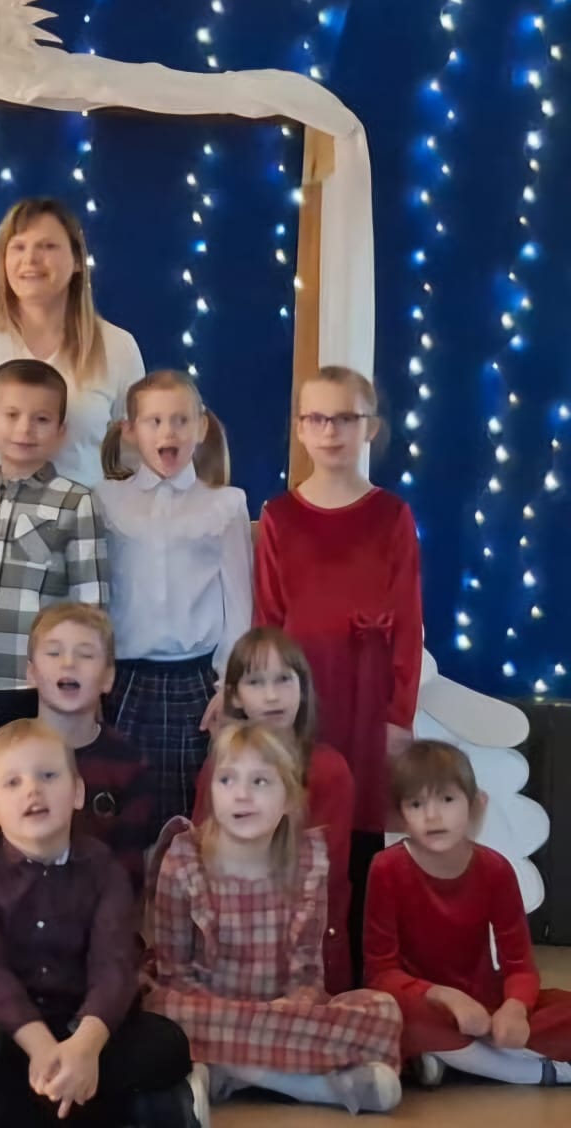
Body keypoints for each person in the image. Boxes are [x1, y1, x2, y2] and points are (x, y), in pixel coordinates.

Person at [0, 721, 201, 1128]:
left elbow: (112, 967)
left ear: (77, 792)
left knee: (168, 1045)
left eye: (48, 776)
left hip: (84, 1024)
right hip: (9, 1031)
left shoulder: (104, 868)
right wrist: (41, 1048)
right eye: (13, 782)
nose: (32, 790)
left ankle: (84, 1094)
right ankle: (131, 1107)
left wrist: (84, 1047)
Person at [255, 365, 423, 959]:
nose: (331, 431)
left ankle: (361, 969)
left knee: (361, 835)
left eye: (345, 418)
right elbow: (267, 620)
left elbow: (408, 623)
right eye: (318, 418)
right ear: (300, 428)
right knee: (301, 820)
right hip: (299, 698)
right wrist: (264, 707)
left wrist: (398, 715)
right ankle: (297, 963)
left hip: (367, 693)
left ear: (370, 427)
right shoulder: (279, 517)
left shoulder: (392, 515)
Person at [149, 722, 403, 1114]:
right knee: (161, 1012)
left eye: (261, 782)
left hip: (279, 1012)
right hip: (206, 1009)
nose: (242, 794)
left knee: (383, 1011)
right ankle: (318, 1086)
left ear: (289, 799)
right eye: (227, 780)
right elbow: (175, 974)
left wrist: (294, 1004)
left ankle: (226, 1071)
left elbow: (308, 971)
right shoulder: (183, 860)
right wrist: (250, 1019)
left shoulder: (307, 862)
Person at [93, 370, 252, 826]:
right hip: (124, 682)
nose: (169, 432)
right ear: (130, 431)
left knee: (190, 813)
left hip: (195, 685)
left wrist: (228, 685)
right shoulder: (106, 500)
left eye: (181, 420)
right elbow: (95, 593)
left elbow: (239, 601)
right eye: (155, 421)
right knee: (120, 812)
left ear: (201, 428)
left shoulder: (226, 504)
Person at [364, 740, 571, 1087]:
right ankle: (535, 1071)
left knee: (560, 1008)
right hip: (423, 1004)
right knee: (386, 1012)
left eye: (447, 800)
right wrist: (446, 997)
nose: (432, 816)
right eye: (417, 804)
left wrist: (515, 1007)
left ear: (475, 806)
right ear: (401, 815)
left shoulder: (495, 869)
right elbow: (381, 972)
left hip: (484, 1006)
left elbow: (519, 965)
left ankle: (452, 1056)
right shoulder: (386, 868)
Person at [0, 197, 144, 500]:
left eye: (47, 246)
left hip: (82, 526)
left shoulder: (118, 347)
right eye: (18, 247)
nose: (31, 259)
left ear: (78, 261)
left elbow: (136, 460)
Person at [0, 358, 107, 740]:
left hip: (31, 681)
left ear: (61, 432)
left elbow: (91, 606)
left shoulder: (76, 503)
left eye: (41, 419)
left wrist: (89, 679)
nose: (25, 429)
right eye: (12, 415)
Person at [194, 626, 355, 992]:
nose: (271, 696)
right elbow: (201, 856)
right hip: (229, 950)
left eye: (284, 679)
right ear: (235, 696)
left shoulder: (330, 771)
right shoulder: (217, 769)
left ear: (303, 688)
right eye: (256, 682)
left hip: (306, 955)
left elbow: (323, 876)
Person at [28, 604, 157, 897]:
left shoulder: (130, 764)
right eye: (54, 653)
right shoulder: (6, 756)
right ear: (31, 672)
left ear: (108, 678)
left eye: (85, 655)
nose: (68, 663)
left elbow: (129, 874)